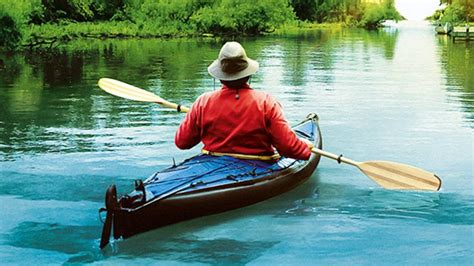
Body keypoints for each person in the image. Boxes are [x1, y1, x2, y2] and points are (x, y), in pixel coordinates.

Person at [175, 41, 313, 160]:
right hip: (258, 163)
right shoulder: (266, 103)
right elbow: (288, 148)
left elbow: (182, 142)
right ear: (248, 74)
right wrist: (305, 148)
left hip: (213, 162)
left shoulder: (202, 102)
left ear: (220, 76)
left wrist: (196, 114)